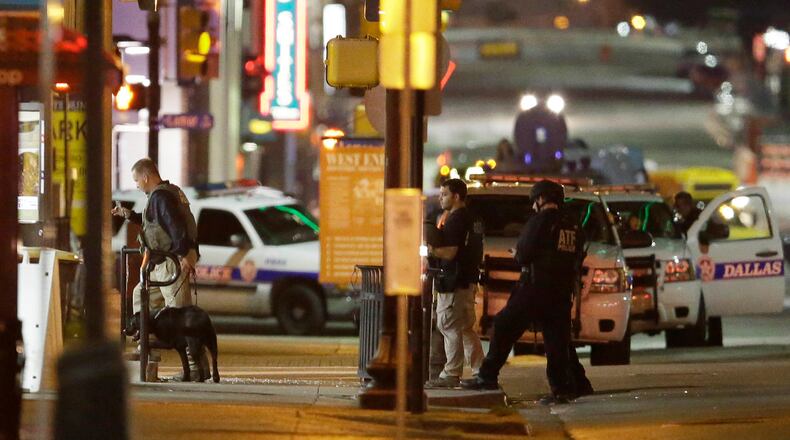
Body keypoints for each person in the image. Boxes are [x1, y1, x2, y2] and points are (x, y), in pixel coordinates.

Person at [462, 180, 593, 404]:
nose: (533, 206)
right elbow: (576, 255)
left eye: (534, 201)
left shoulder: (540, 221)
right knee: (557, 341)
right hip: (561, 290)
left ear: (541, 199)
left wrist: (518, 254)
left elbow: (524, 253)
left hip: (535, 287)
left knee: (504, 325)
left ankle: (486, 376)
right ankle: (567, 388)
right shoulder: (572, 224)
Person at [112, 158, 203, 377]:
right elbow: (156, 225)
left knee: (182, 316)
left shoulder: (160, 197)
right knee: (139, 296)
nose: (136, 185)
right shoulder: (169, 193)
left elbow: (175, 227)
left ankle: (195, 368)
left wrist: (183, 255)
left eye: (136, 180)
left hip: (171, 263)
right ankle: (147, 345)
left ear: (146, 176)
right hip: (162, 264)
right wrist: (130, 215)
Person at [425, 178, 484, 388]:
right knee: (466, 328)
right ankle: (481, 371)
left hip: (454, 282)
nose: (441, 198)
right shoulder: (473, 218)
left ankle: (451, 373)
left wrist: (431, 250)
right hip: (468, 281)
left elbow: (450, 252)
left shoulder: (457, 219)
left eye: (444, 194)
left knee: (448, 325)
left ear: (456, 196)